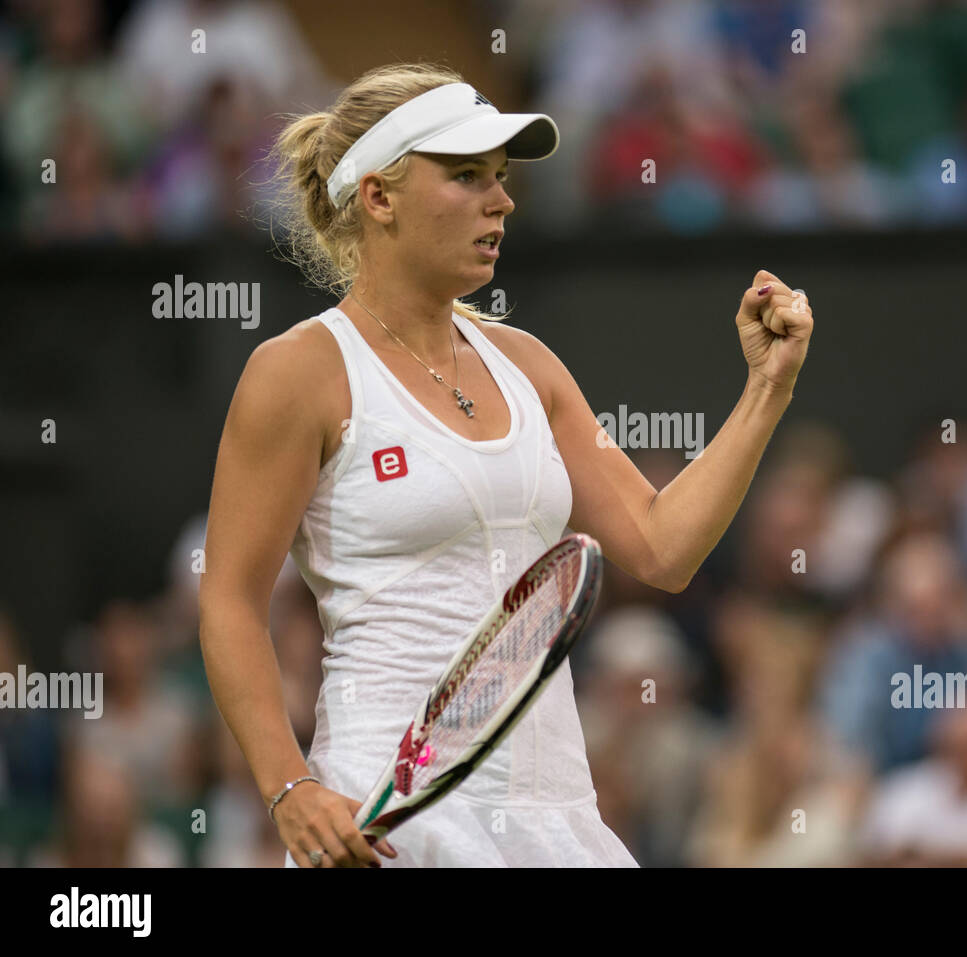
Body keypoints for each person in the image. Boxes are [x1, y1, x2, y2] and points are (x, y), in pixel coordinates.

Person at [197, 62, 813, 868]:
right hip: (383, 820)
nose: (502, 200)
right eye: (465, 176)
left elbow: (664, 548)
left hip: (557, 817)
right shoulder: (298, 372)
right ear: (379, 197)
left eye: (500, 178)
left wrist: (766, 389)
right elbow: (230, 600)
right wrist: (289, 786)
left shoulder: (531, 365)